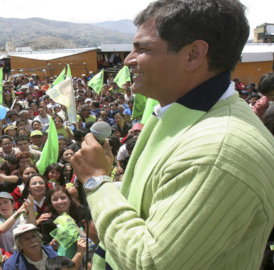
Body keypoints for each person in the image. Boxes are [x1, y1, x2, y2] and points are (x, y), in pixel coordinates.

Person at [70, 0, 274, 269]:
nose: (128, 60)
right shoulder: (178, 114)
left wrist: (97, 182)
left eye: (142, 49)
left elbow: (151, 262)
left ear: (194, 54)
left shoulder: (217, 152)